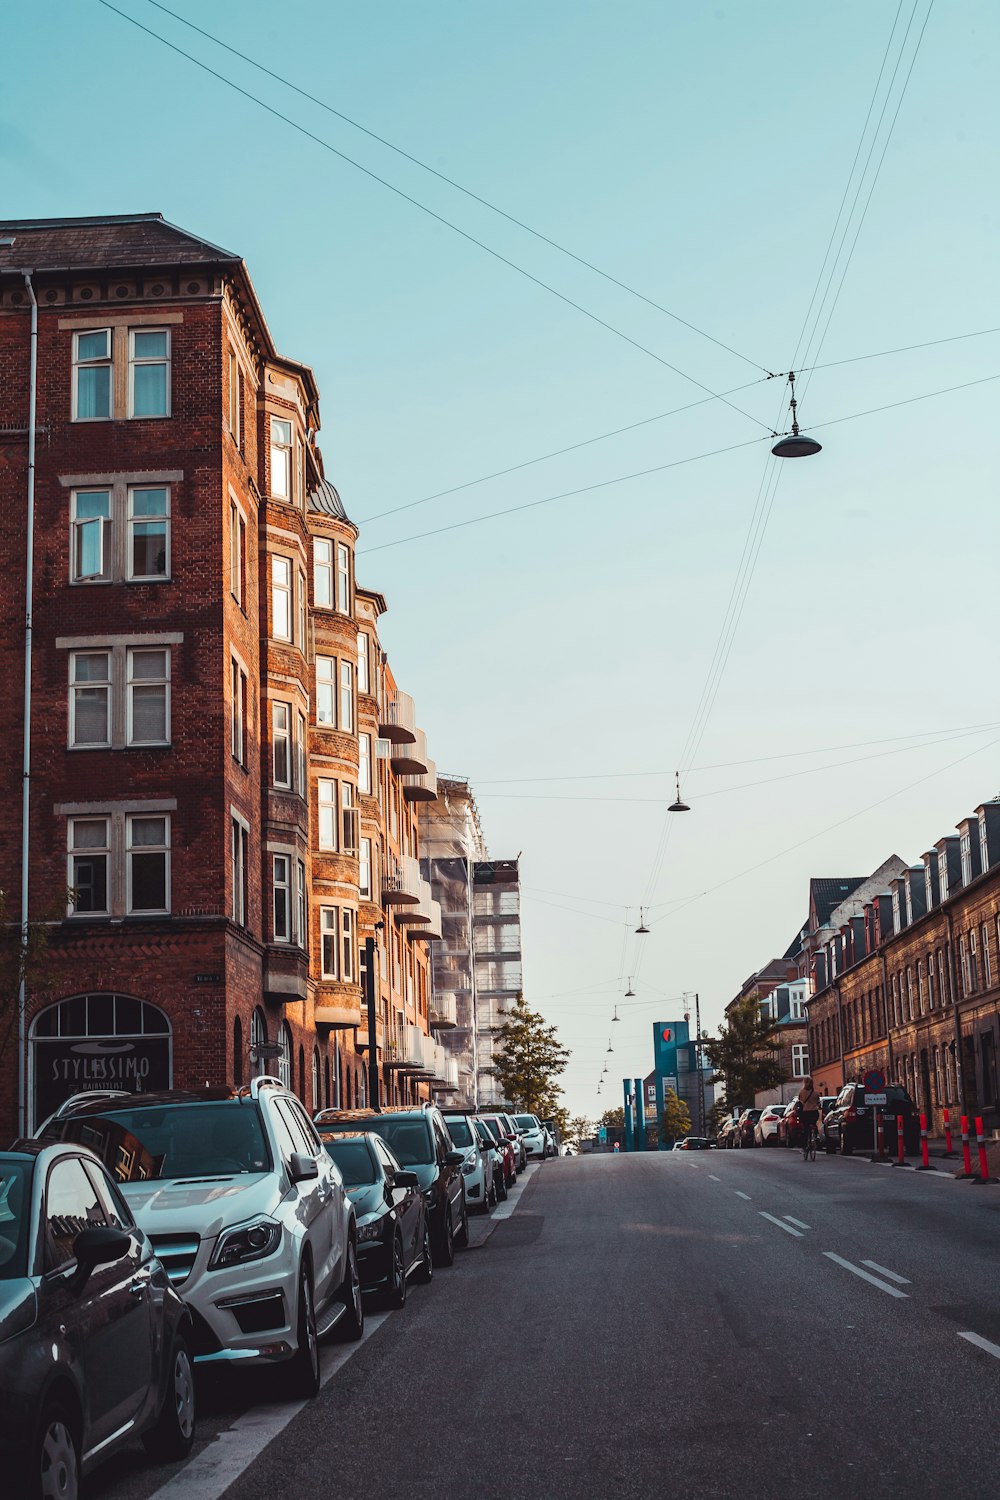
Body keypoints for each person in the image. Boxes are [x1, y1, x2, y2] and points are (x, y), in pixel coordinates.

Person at [798, 1076, 822, 1153]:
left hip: (805, 1113)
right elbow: (818, 1103)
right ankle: (816, 1135)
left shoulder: (801, 1092)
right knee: (814, 1124)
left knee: (805, 1129)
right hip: (814, 1112)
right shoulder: (816, 1093)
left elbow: (800, 1101)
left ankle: (804, 1146)